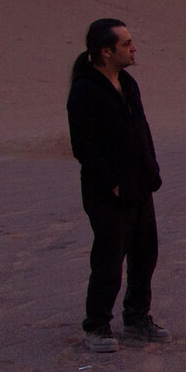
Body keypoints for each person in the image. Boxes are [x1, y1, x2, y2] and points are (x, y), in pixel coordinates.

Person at [67, 19, 170, 352]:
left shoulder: (127, 83)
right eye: (126, 43)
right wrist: (111, 184)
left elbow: (142, 129)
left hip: (139, 185)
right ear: (105, 51)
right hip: (106, 191)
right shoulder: (85, 90)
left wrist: (151, 169)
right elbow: (84, 147)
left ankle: (137, 317)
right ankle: (96, 326)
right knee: (109, 258)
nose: (133, 47)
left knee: (145, 253)